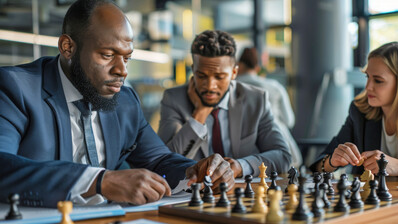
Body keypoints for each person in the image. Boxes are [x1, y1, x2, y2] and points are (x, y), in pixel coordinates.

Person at [0, 0, 234, 208]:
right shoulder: (15, 88)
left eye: (127, 57)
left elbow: (158, 160)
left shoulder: (126, 101)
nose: (122, 70)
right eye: (107, 55)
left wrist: (194, 170)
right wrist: (99, 181)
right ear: (67, 47)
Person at [158, 30, 291, 178]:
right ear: (193, 70)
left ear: (234, 73)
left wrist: (240, 166)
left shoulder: (256, 99)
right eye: (201, 76)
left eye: (219, 77)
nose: (210, 86)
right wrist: (199, 114)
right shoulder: (174, 99)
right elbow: (164, 163)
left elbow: (283, 156)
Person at [311, 42, 398, 180]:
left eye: (378, 81)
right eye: (368, 77)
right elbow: (316, 166)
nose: (368, 87)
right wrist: (331, 161)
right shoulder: (361, 111)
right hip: (374, 200)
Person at [236, 47, 302, 167]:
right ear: (257, 68)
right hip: (280, 144)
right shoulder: (274, 86)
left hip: (243, 151)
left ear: (238, 66)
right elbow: (289, 121)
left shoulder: (232, 86)